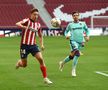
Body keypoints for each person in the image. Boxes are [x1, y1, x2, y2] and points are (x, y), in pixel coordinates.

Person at [15, 8, 52, 84]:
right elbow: (17, 23)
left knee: (41, 59)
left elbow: (40, 35)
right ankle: (19, 63)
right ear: (31, 14)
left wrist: (42, 44)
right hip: (24, 46)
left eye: (37, 15)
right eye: (34, 14)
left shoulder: (38, 25)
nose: (36, 16)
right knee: (24, 65)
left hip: (33, 45)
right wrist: (25, 27)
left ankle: (45, 78)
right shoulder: (27, 21)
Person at [59, 11, 90, 77]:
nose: (76, 16)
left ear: (79, 16)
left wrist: (87, 36)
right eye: (74, 15)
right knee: (77, 53)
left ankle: (62, 63)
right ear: (72, 17)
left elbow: (87, 30)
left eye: (77, 15)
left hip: (81, 42)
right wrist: (66, 35)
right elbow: (66, 31)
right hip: (73, 41)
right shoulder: (70, 25)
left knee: (72, 56)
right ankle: (73, 70)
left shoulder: (83, 23)